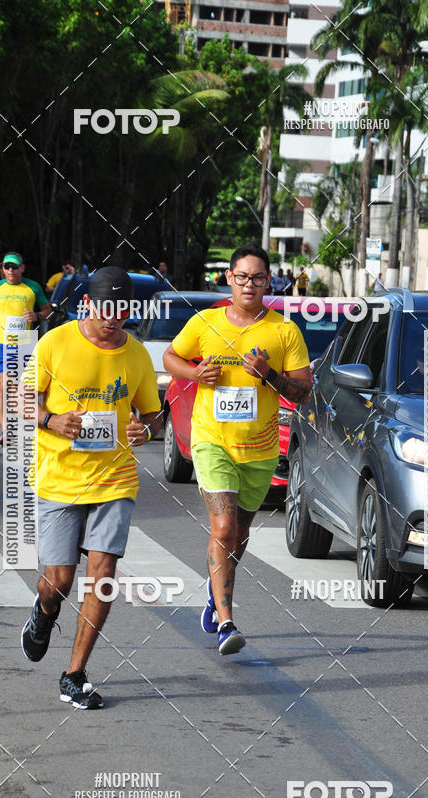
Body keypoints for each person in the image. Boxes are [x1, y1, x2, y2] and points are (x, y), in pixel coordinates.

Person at [19, 266, 161, 709]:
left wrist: (146, 430)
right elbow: (21, 399)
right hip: (59, 477)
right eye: (105, 308)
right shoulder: (55, 342)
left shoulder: (137, 354)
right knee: (58, 581)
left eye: (122, 309)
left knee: (103, 576)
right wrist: (51, 420)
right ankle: (44, 612)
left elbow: (152, 414)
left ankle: (74, 674)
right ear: (87, 304)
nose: (113, 318)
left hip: (115, 479)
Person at [163, 243, 311, 654]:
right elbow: (171, 356)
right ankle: (226, 623)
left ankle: (215, 595)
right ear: (229, 278)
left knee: (240, 533)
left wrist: (270, 375)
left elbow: (303, 391)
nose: (249, 284)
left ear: (269, 282)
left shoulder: (284, 331)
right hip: (212, 441)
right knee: (224, 528)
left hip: (259, 451)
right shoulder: (205, 322)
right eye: (242, 276)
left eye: (258, 278)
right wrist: (195, 373)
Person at [0, 252, 51, 445]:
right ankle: (5, 430)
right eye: (7, 266)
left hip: (24, 343)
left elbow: (47, 310)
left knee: (23, 388)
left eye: (14, 266)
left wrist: (37, 315)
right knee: (3, 384)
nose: (10, 270)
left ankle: (25, 422)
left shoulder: (33, 287)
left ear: (22, 268)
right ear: (2, 268)